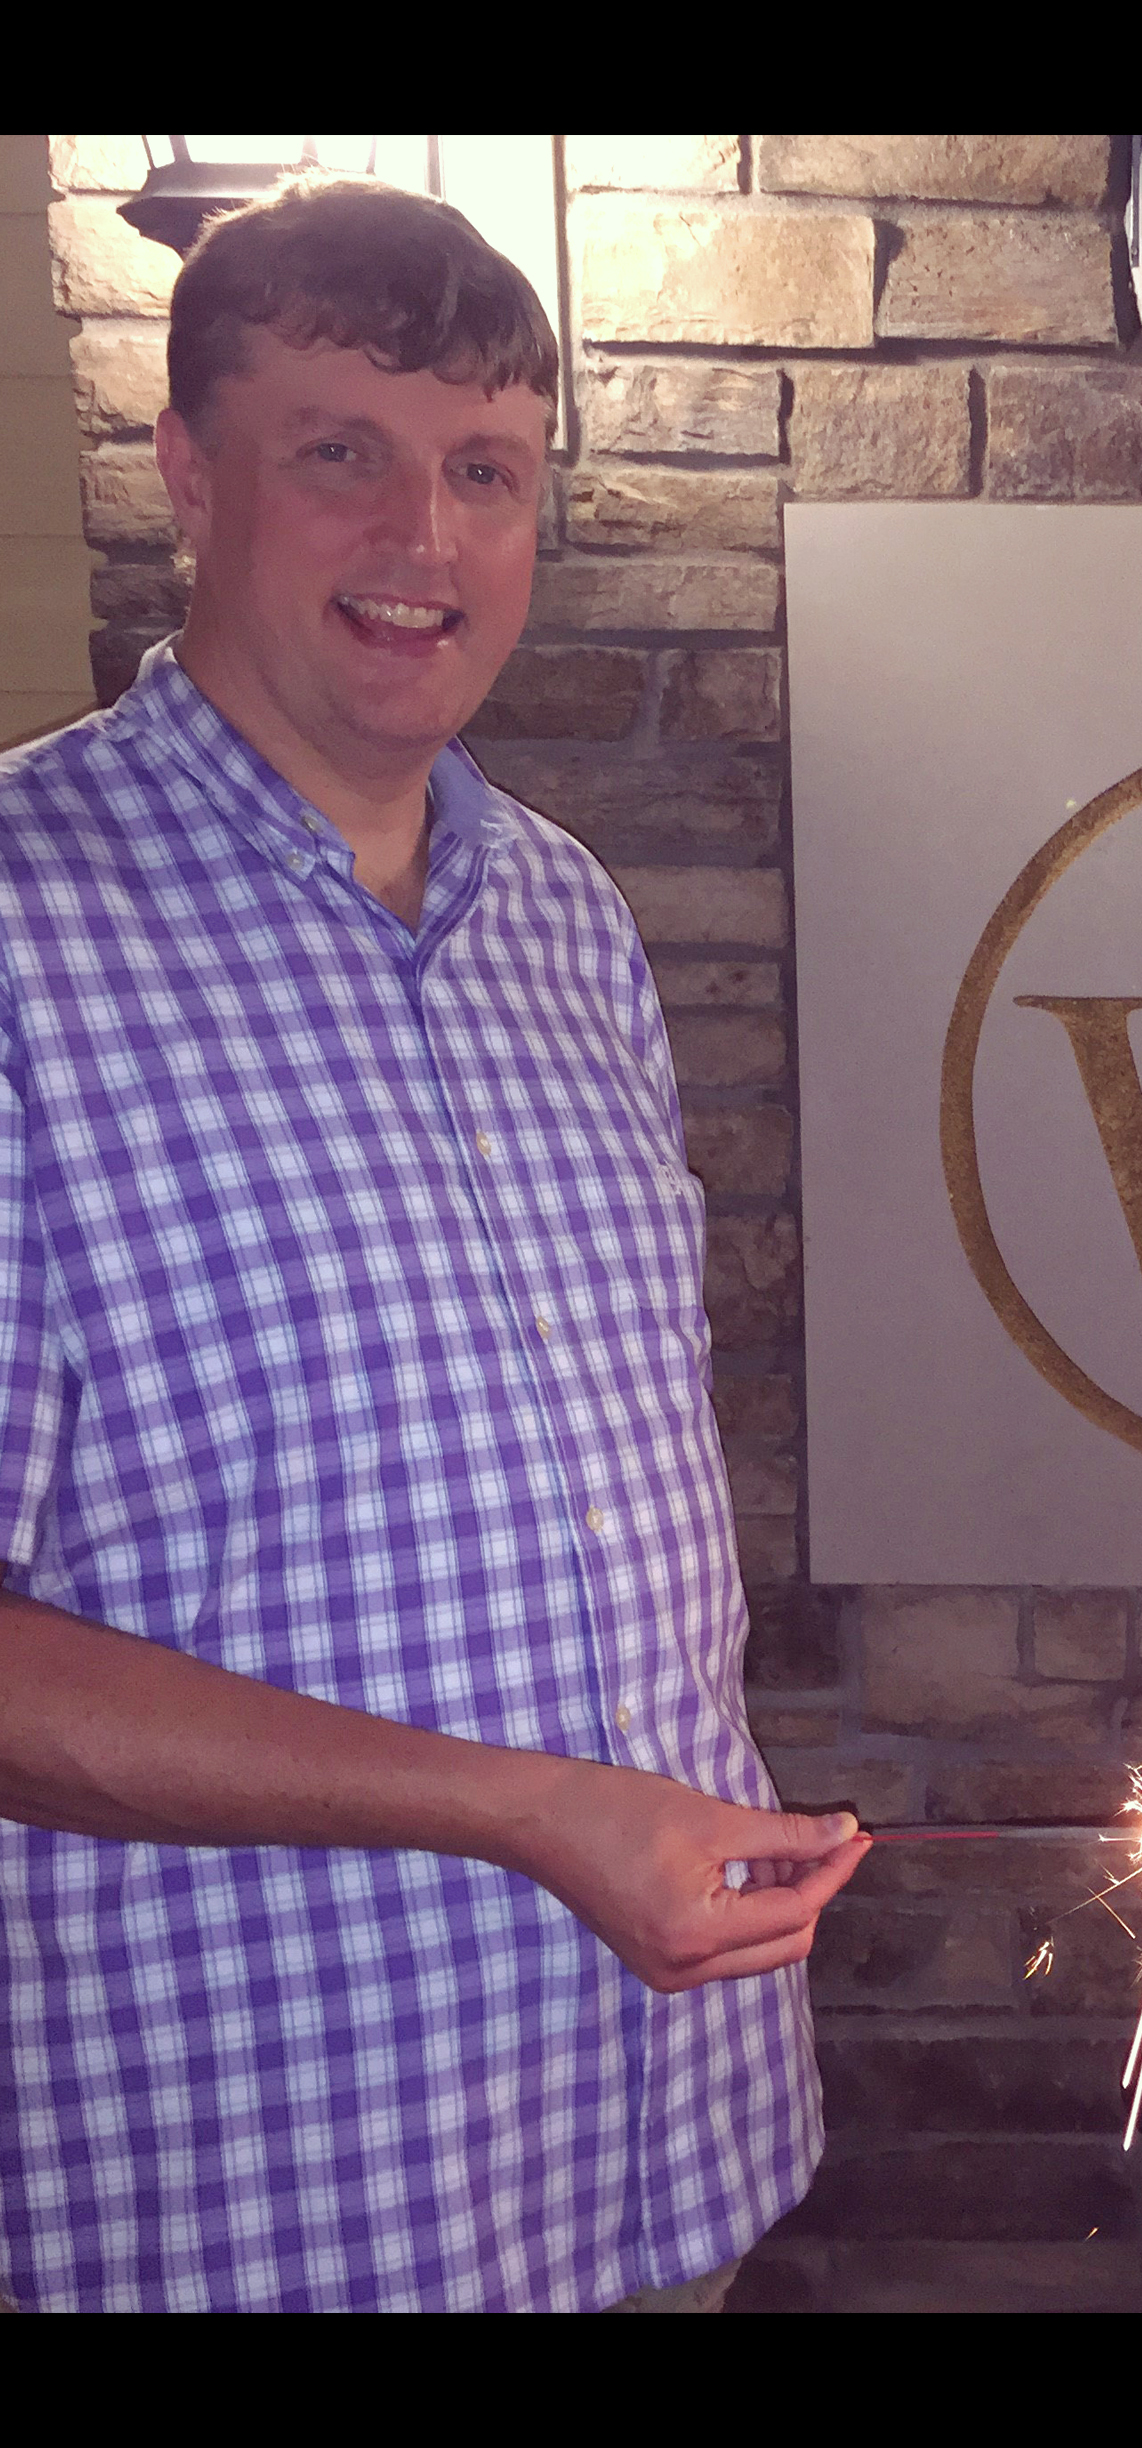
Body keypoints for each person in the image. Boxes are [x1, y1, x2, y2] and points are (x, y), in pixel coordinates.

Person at [0, 177, 868, 2313]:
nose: (427, 539)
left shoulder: (569, 917)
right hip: (273, 2192)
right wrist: (526, 1810)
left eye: (486, 470)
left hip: (666, 2137)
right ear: (187, 470)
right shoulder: (17, 929)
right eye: (341, 454)